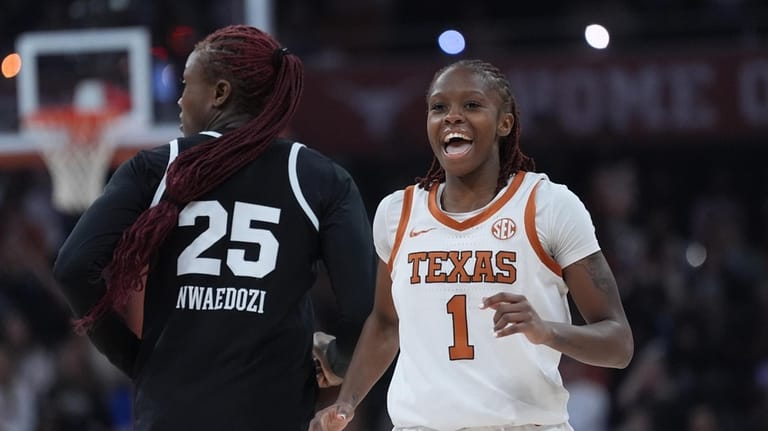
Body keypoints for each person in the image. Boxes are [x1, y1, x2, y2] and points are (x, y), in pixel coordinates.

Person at [52, 24, 375, 430]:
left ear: (220, 93)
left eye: (186, 84)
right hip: (273, 411)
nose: (180, 99)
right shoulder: (317, 177)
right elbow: (364, 307)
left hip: (171, 413)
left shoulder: (156, 167)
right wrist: (338, 358)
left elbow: (73, 268)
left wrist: (136, 360)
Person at [310, 59, 634, 431]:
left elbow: (619, 343)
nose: (452, 117)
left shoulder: (548, 206)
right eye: (439, 107)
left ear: (504, 122)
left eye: (472, 105)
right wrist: (347, 403)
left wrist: (547, 331)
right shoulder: (397, 213)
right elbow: (386, 323)